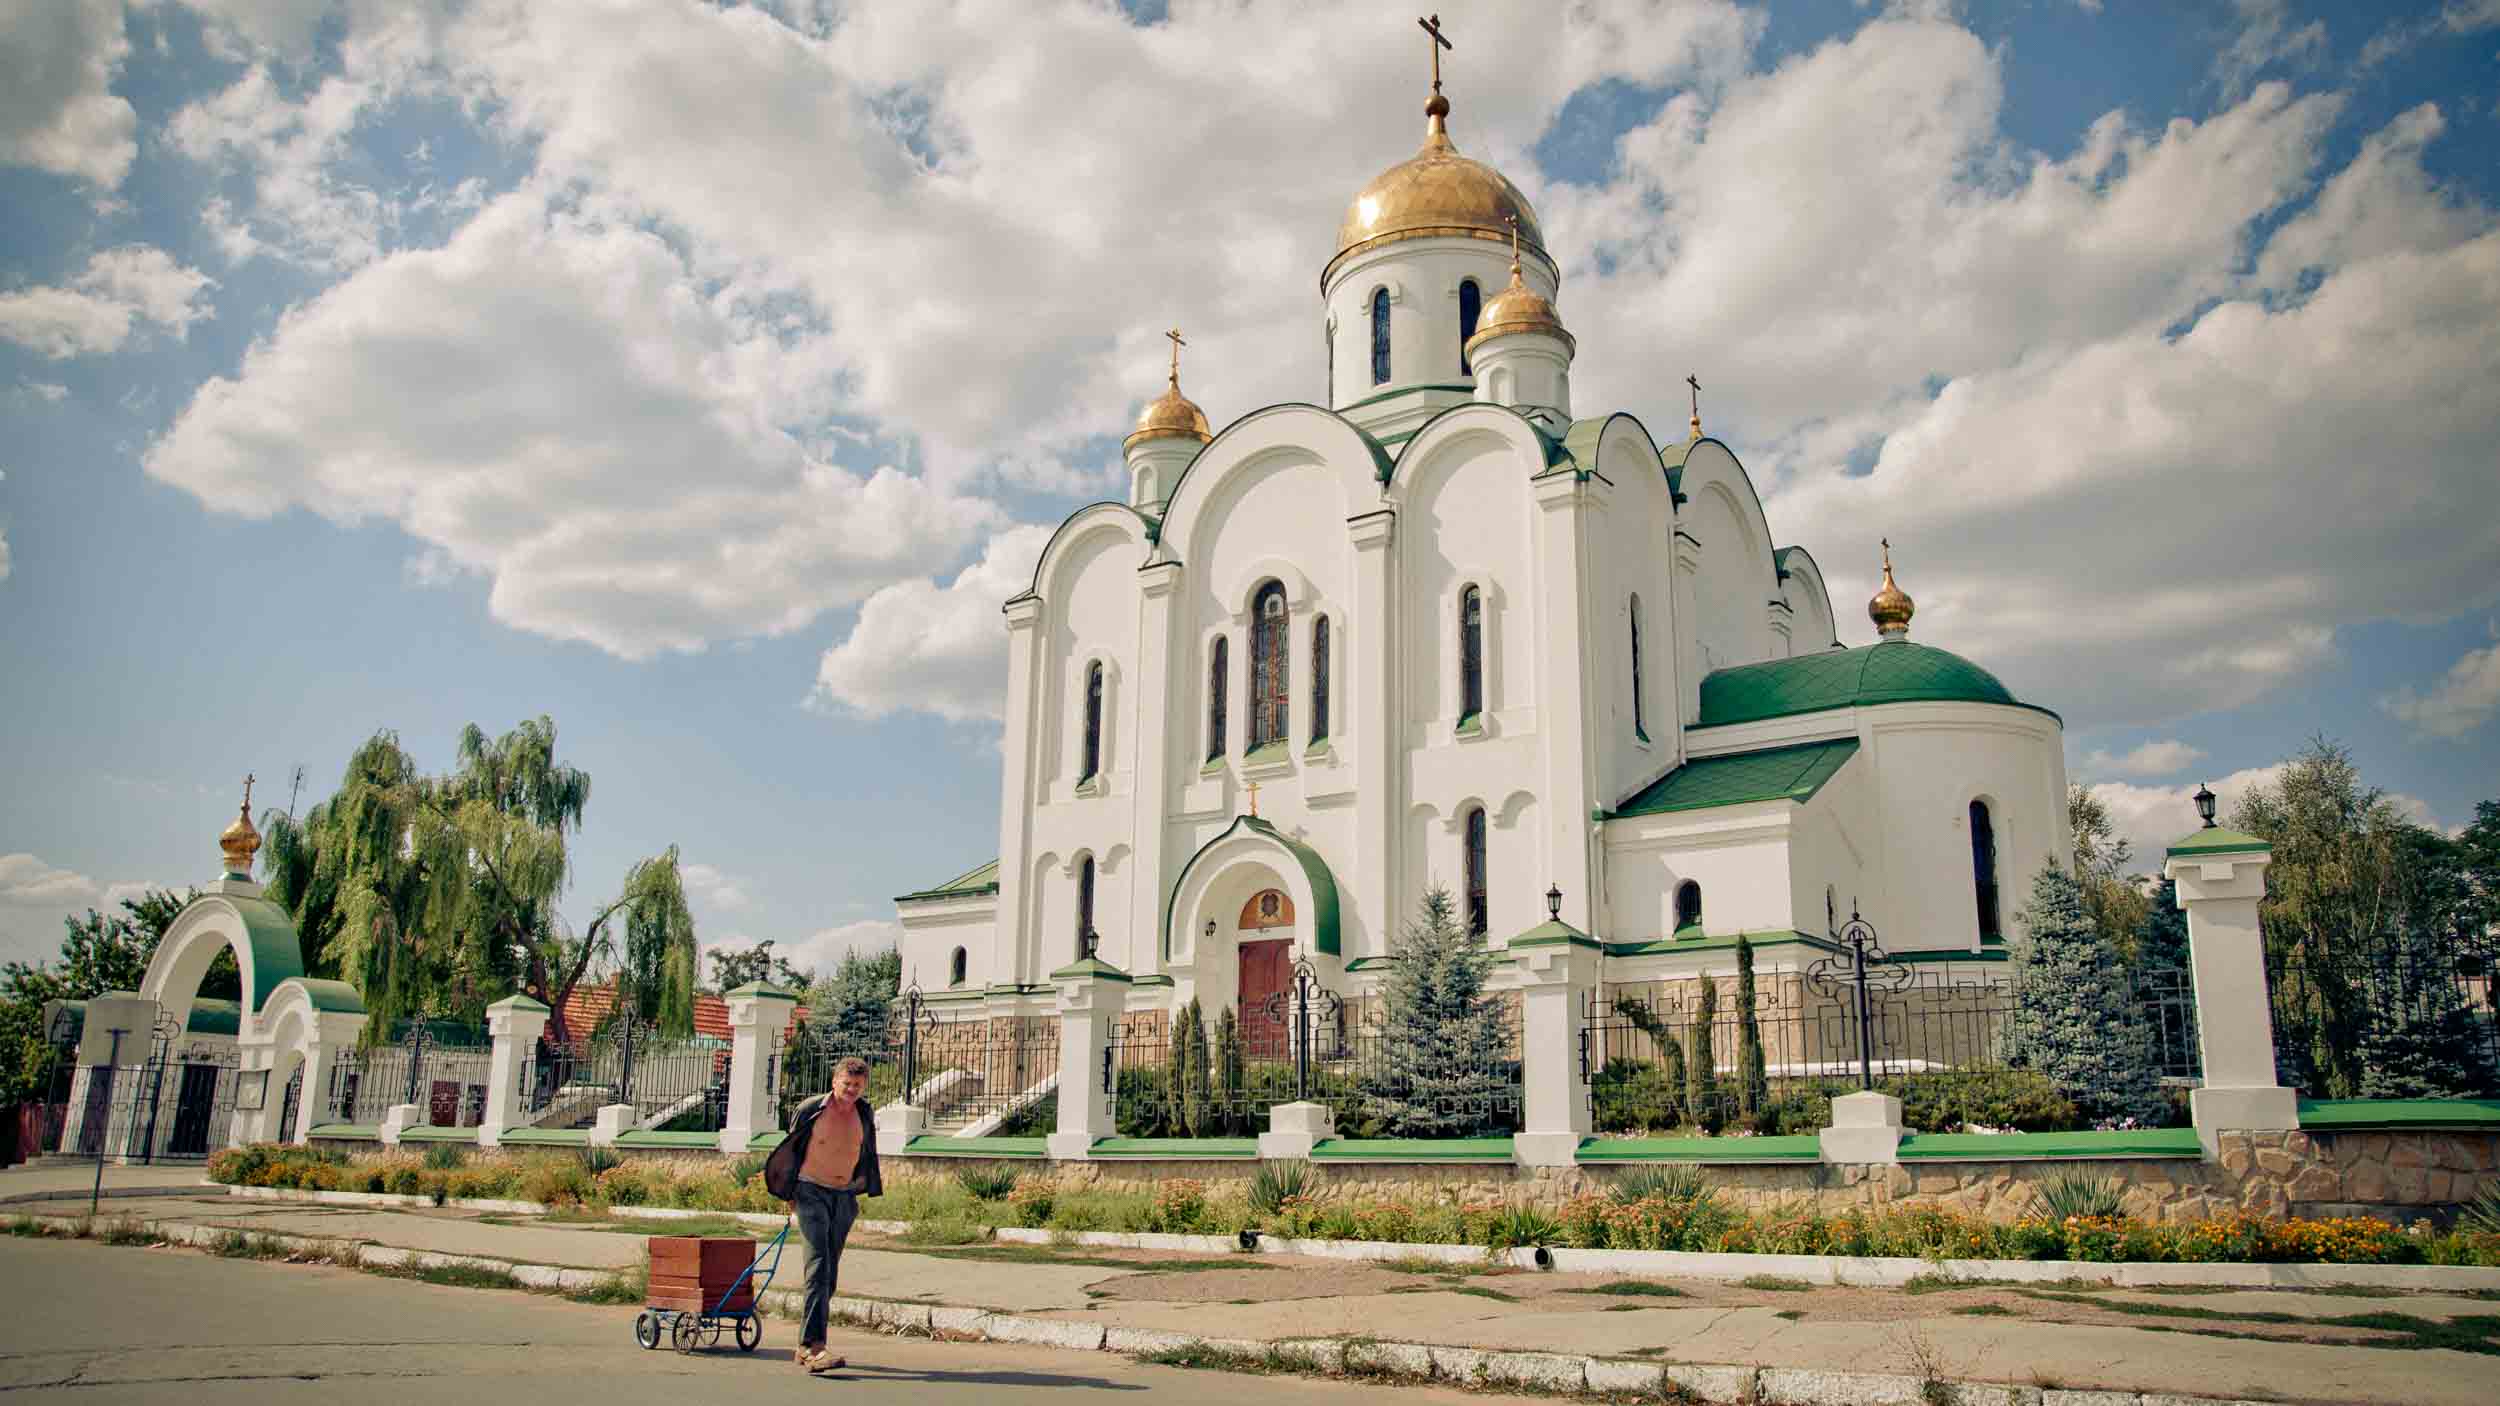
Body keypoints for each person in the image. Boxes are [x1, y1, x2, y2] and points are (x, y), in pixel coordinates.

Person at [763, 1056, 882, 1372]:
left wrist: (858, 1188)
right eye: (847, 1083)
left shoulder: (864, 1113)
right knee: (818, 1266)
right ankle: (815, 1346)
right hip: (810, 1191)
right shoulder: (811, 1110)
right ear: (834, 1081)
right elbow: (791, 1149)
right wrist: (790, 1196)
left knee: (828, 1274)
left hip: (843, 1198)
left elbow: (866, 1152)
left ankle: (805, 1345)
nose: (851, 1089)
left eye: (857, 1085)